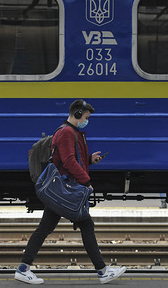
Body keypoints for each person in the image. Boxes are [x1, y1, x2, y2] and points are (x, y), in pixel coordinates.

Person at [15, 99, 126, 285]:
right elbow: (68, 161)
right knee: (85, 225)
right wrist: (87, 181)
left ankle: (23, 268)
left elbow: (72, 159)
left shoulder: (72, 132)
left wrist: (90, 159)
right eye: (86, 117)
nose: (87, 120)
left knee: (46, 228)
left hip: (63, 190)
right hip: (65, 190)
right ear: (77, 114)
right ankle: (103, 271)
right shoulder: (67, 132)